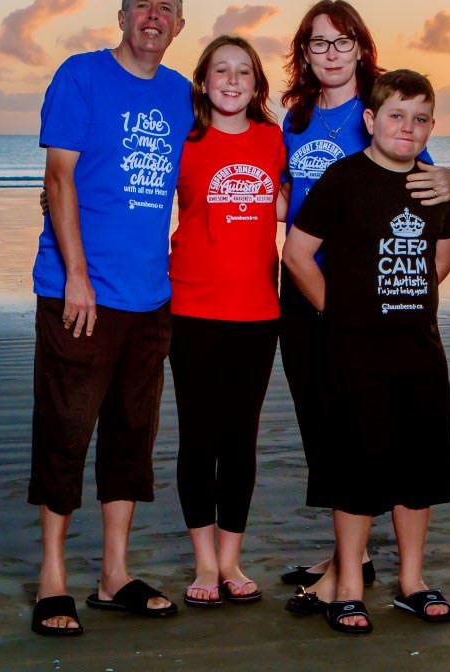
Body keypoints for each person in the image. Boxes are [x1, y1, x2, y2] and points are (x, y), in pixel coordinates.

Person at [277, 0, 450, 608]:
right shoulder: (295, 118)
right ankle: (346, 557)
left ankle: (348, 567)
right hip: (316, 297)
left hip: (381, 307)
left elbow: (430, 188)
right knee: (328, 430)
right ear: (304, 54)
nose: (331, 53)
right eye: (318, 44)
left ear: (361, 47)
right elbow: (283, 197)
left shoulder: (386, 111)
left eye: (342, 42)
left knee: (378, 433)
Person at [28, 0, 192, 637]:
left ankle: (114, 575)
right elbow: (58, 179)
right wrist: (78, 277)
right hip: (80, 295)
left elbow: (230, 172)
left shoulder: (183, 95)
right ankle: (52, 580)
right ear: (121, 17)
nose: (154, 17)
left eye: (167, 9)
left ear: (180, 26)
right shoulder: (81, 76)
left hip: (151, 299)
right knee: (67, 430)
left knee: (132, 435)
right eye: (143, 6)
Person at [168, 36, 286, 607]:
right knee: (199, 438)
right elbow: (129, 195)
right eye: (222, 70)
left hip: (260, 314)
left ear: (257, 85)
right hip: (192, 310)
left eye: (244, 71)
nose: (233, 80)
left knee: (240, 441)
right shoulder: (183, 142)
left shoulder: (273, 140)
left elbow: (297, 200)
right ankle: (204, 563)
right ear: (204, 81)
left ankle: (233, 558)